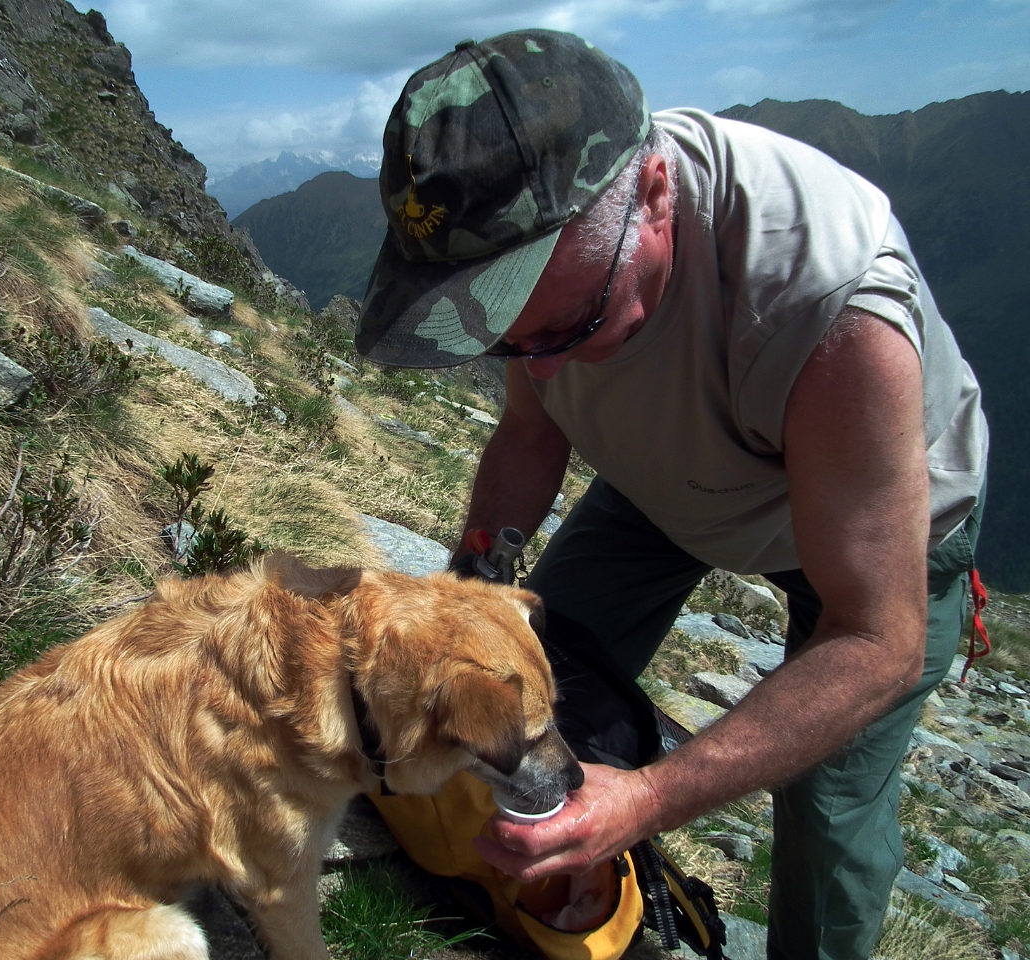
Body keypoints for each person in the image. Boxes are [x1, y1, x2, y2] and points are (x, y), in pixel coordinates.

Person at [354, 28, 988, 960]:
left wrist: (646, 799)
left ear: (656, 196)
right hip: (669, 476)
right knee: (534, 681)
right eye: (510, 341)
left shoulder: (831, 307)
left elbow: (877, 640)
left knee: (829, 812)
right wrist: (471, 594)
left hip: (877, 525)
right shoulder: (550, 256)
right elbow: (532, 431)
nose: (548, 365)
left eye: (573, 323)